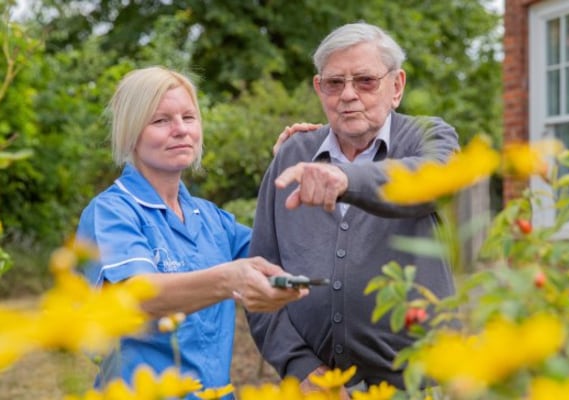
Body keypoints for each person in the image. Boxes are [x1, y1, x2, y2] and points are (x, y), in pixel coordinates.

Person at [246, 22, 460, 397]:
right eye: (334, 83)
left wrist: (345, 179)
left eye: (365, 81)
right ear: (319, 89)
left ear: (396, 86)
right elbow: (261, 278)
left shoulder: (426, 136)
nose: (348, 95)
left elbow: (434, 180)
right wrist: (301, 367)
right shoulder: (292, 156)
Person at [75, 66, 307, 398]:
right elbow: (137, 295)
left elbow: (286, 254)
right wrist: (229, 279)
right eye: (161, 121)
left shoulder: (213, 219)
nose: (181, 130)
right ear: (131, 132)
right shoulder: (111, 212)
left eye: (189, 117)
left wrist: (288, 170)